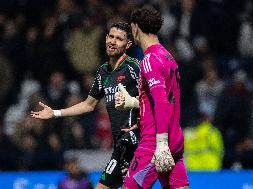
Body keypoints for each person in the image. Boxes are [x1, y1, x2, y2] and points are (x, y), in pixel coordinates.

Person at [31, 22, 140, 189]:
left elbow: (156, 98)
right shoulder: (103, 71)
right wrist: (55, 113)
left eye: (119, 39)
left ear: (128, 44)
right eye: (111, 37)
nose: (113, 41)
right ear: (105, 38)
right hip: (120, 146)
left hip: (137, 143)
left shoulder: (133, 68)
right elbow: (89, 104)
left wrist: (139, 118)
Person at [115, 6, 189, 189]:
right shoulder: (168, 56)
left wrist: (161, 144)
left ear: (135, 27)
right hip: (175, 138)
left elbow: (162, 102)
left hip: (154, 142)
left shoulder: (149, 59)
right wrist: (132, 102)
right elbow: (166, 99)